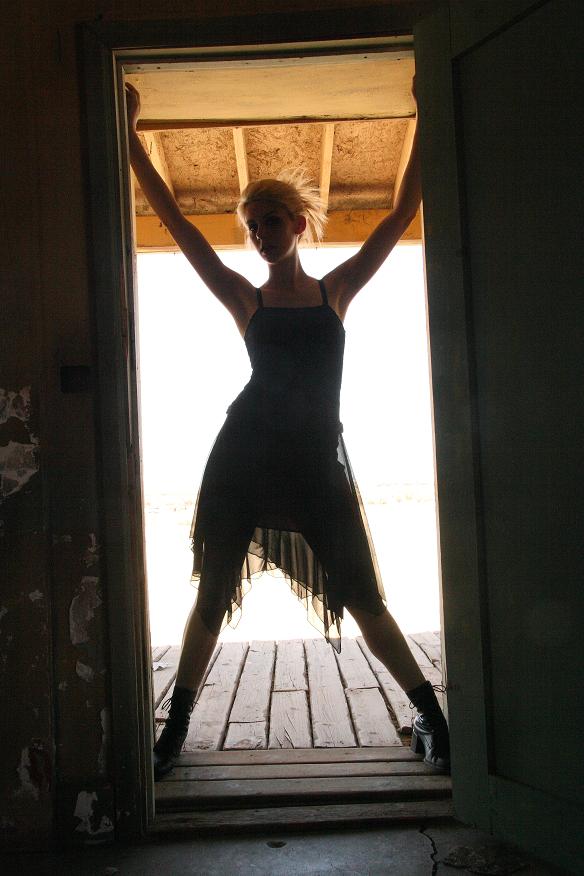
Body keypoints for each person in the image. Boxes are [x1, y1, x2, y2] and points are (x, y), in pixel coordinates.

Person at [125, 78, 450, 779]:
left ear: (297, 225)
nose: (257, 235)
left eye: (269, 221)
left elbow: (401, 214)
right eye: (250, 226)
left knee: (363, 596)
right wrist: (127, 141)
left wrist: (428, 112)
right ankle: (174, 730)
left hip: (313, 468)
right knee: (212, 595)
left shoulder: (335, 293)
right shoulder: (247, 301)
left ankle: (434, 716)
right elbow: (180, 228)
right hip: (245, 461)